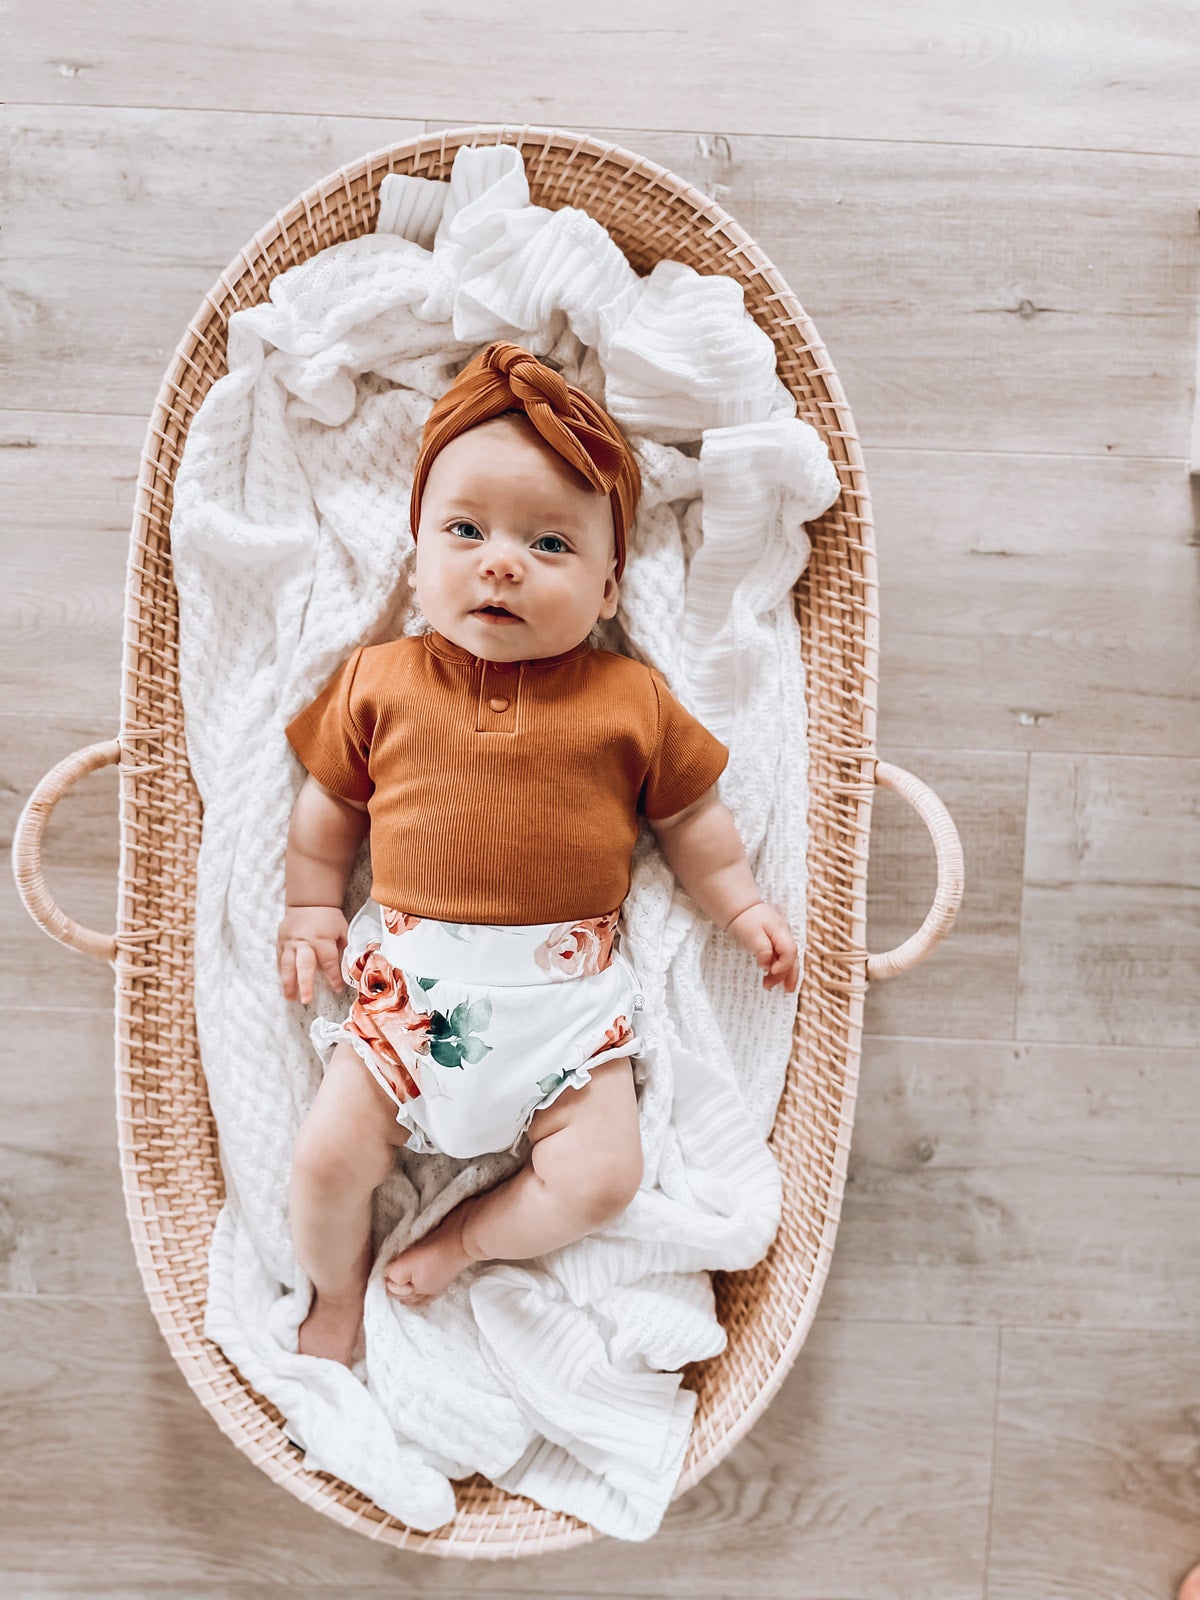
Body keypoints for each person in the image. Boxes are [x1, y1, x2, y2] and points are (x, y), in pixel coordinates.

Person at [277, 340, 800, 1366]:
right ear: (417, 552)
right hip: (410, 1001)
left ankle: (465, 1238)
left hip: (566, 1012)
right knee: (326, 1158)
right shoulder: (378, 680)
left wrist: (740, 904)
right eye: (464, 531)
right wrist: (309, 910)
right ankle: (335, 1290)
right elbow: (329, 805)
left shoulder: (629, 699)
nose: (500, 561)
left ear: (610, 588)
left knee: (602, 1176)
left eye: (549, 545)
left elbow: (693, 820)